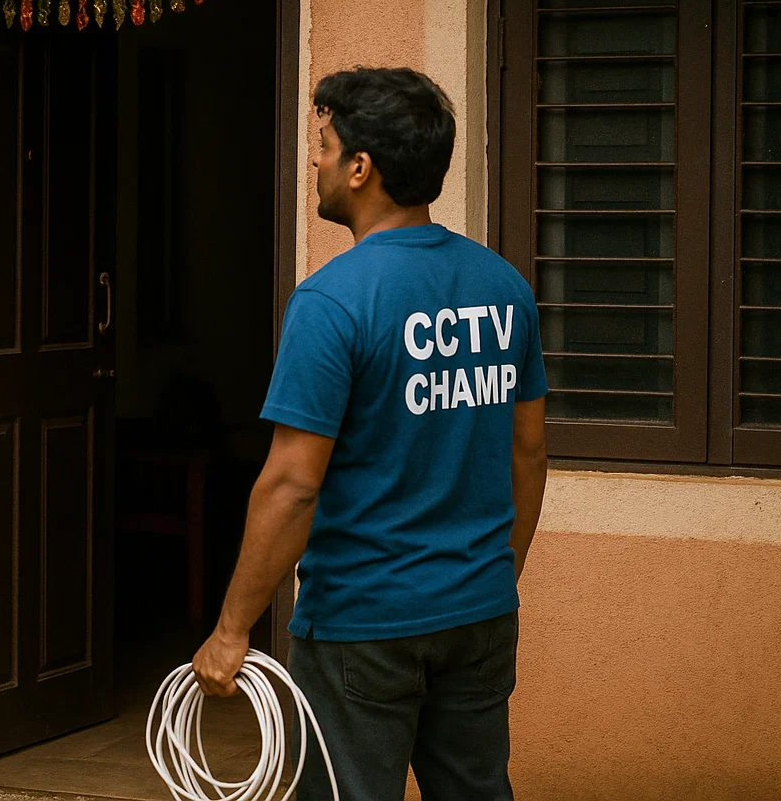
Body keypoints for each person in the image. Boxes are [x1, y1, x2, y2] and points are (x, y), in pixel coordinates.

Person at [191, 67, 550, 801]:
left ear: (361, 167)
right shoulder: (504, 286)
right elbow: (529, 450)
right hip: (479, 610)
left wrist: (233, 630)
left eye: (324, 145)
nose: (315, 162)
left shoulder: (331, 301)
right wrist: (491, 575)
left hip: (365, 622)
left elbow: (291, 485)